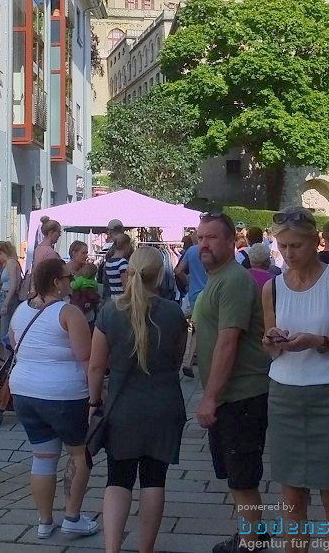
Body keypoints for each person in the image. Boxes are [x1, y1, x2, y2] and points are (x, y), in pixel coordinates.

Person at [261, 207, 329, 553]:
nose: (289, 254)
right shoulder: (273, 288)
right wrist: (271, 341)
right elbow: (269, 347)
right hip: (284, 396)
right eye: (283, 246)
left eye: (296, 246)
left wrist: (319, 342)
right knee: (291, 498)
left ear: (315, 242)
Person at [89, 247, 187, 553]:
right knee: (154, 479)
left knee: (117, 478)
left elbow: (95, 365)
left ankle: (112, 549)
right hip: (164, 404)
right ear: (160, 276)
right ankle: (146, 548)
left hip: (123, 406)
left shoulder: (110, 310)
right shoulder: (174, 313)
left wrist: (94, 403)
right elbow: (177, 358)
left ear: (129, 272)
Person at [192, 212, 271, 553]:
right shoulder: (217, 278)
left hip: (242, 394)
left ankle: (251, 544)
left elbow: (229, 341)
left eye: (211, 238)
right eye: (199, 239)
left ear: (230, 242)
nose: (204, 244)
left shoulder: (234, 281)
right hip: (229, 395)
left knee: (242, 474)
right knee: (232, 471)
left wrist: (210, 397)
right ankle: (251, 532)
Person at [8, 258, 98, 539]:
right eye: (68, 278)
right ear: (57, 282)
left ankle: (45, 522)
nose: (71, 282)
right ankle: (72, 517)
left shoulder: (21, 310)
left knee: (43, 457)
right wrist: (96, 396)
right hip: (64, 394)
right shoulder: (69, 313)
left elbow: (14, 344)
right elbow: (86, 358)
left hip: (24, 390)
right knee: (78, 453)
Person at [174, 231, 209, 378]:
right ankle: (191, 362)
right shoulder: (209, 250)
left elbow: (178, 270)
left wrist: (188, 282)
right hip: (209, 292)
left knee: (196, 327)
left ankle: (189, 361)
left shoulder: (191, 251)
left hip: (194, 293)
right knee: (203, 329)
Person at [102, 233, 132, 299]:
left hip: (113, 298)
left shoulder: (108, 263)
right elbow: (125, 286)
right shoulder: (122, 263)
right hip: (122, 300)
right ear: (126, 245)